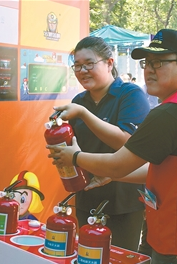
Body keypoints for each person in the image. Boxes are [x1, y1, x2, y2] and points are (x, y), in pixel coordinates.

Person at [48, 29, 177, 264]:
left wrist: (75, 157)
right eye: (147, 63)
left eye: (160, 63)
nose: (149, 70)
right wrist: (112, 176)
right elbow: (172, 169)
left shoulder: (172, 112)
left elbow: (118, 164)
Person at [55, 36, 150, 251]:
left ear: (109, 63)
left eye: (89, 63)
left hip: (123, 200)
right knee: (88, 255)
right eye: (77, 66)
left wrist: (84, 114)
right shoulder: (79, 101)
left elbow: (127, 141)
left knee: (119, 256)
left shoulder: (130, 95)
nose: (82, 71)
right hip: (87, 195)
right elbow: (74, 147)